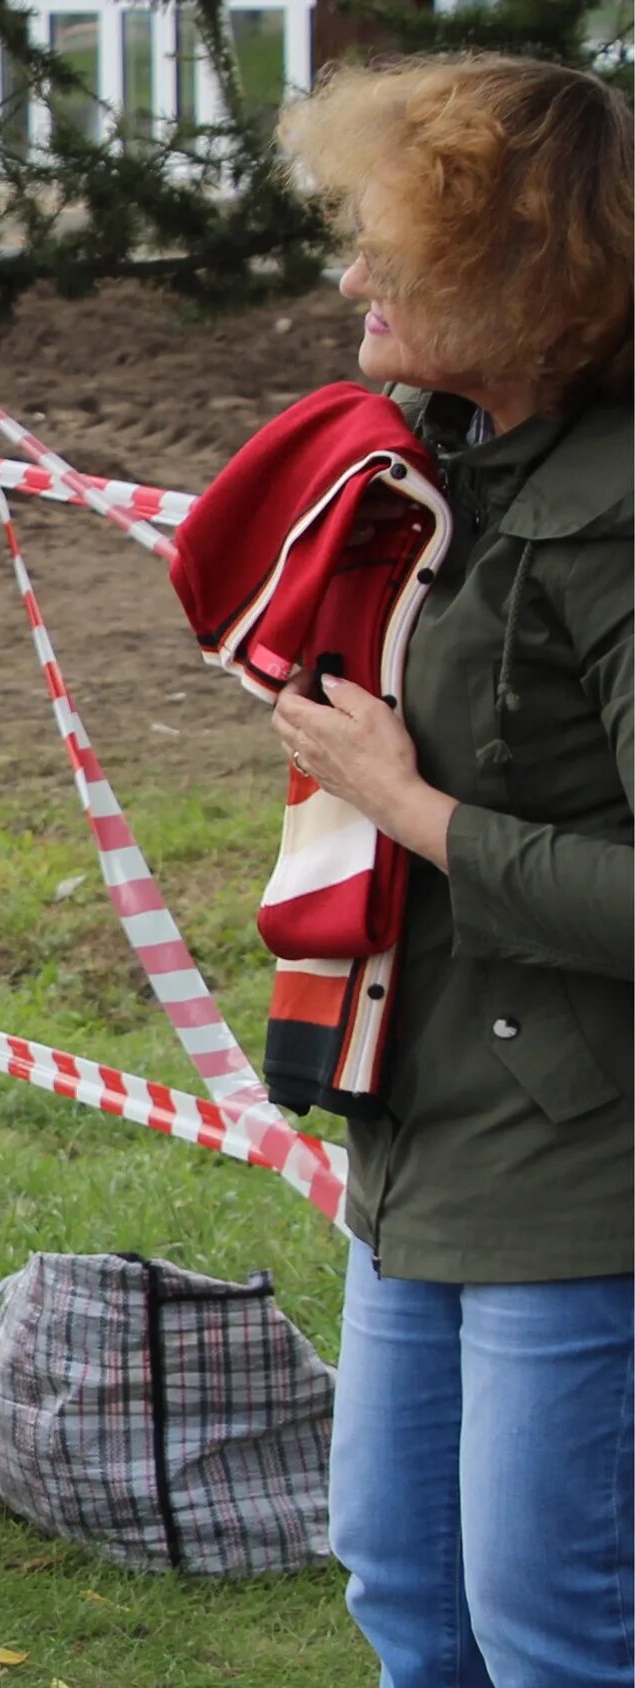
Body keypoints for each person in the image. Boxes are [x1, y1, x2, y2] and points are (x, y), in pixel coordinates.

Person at [269, 57, 633, 1686]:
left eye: (390, 254)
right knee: (406, 1595)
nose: (351, 280)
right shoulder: (430, 465)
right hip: (412, 1131)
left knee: (552, 1631)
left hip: (581, 1161)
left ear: (528, 282)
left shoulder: (618, 516)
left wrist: (407, 807)